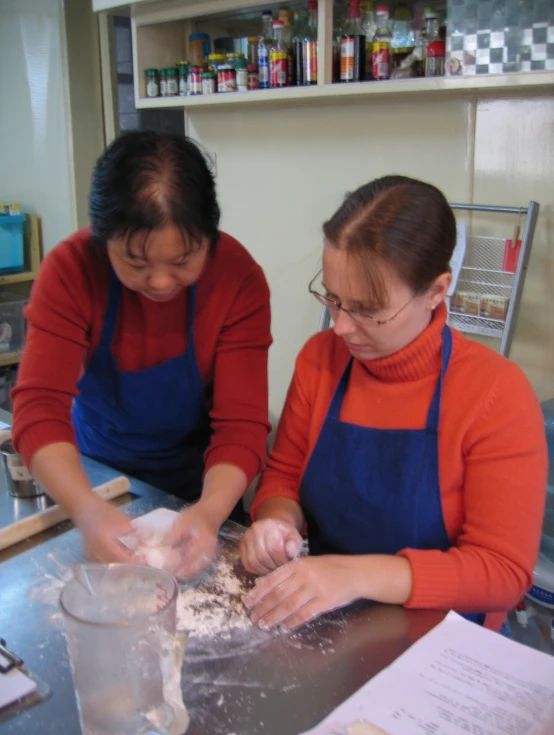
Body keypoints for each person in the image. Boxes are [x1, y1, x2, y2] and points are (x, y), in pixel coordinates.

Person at [240, 175, 547, 633]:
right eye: (333, 298)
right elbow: (284, 475)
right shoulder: (320, 359)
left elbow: (502, 572)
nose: (341, 326)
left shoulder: (496, 392)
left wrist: (357, 575)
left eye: (367, 309)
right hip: (327, 616)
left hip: (444, 639)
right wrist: (275, 521)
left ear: (437, 291)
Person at [12, 131, 271, 575]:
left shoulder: (236, 278)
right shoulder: (71, 270)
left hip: (202, 487)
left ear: (209, 235)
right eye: (135, 262)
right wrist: (87, 510)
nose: (161, 282)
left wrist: (209, 513)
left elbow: (240, 426)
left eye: (184, 260)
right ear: (102, 238)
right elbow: (39, 408)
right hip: (95, 481)